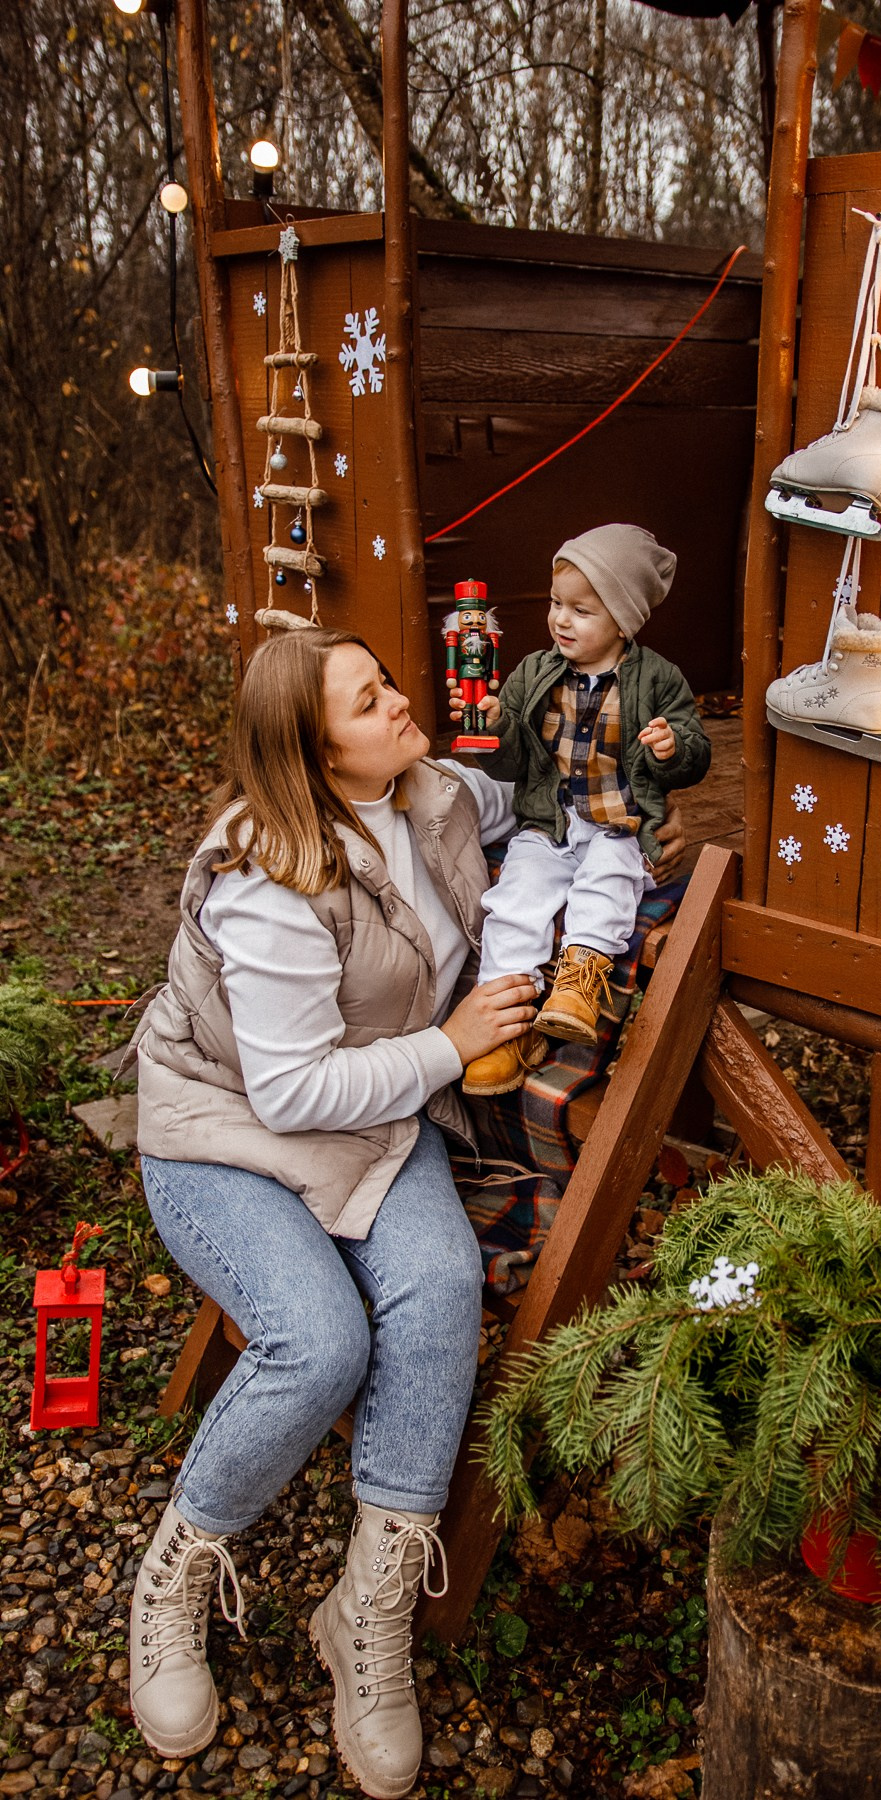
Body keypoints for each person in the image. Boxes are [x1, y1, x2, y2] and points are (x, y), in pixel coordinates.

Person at [125, 625, 684, 1799]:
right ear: (317, 759)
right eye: (369, 702)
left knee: (437, 1294)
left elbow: (538, 799)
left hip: (382, 1125)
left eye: (384, 682)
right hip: (230, 1132)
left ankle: (364, 1612)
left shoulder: (429, 788)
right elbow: (286, 1091)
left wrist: (630, 798)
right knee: (318, 1340)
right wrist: (450, 1043)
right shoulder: (265, 875)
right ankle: (179, 1571)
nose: (399, 704)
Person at [449, 524, 710, 1097]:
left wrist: (673, 749)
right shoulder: (533, 673)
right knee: (516, 898)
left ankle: (577, 983)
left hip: (618, 823)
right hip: (550, 821)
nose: (561, 620)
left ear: (622, 620)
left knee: (609, 877)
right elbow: (513, 762)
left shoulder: (659, 679)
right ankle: (503, 1027)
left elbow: (694, 754)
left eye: (581, 610)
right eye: (556, 604)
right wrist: (495, 728)